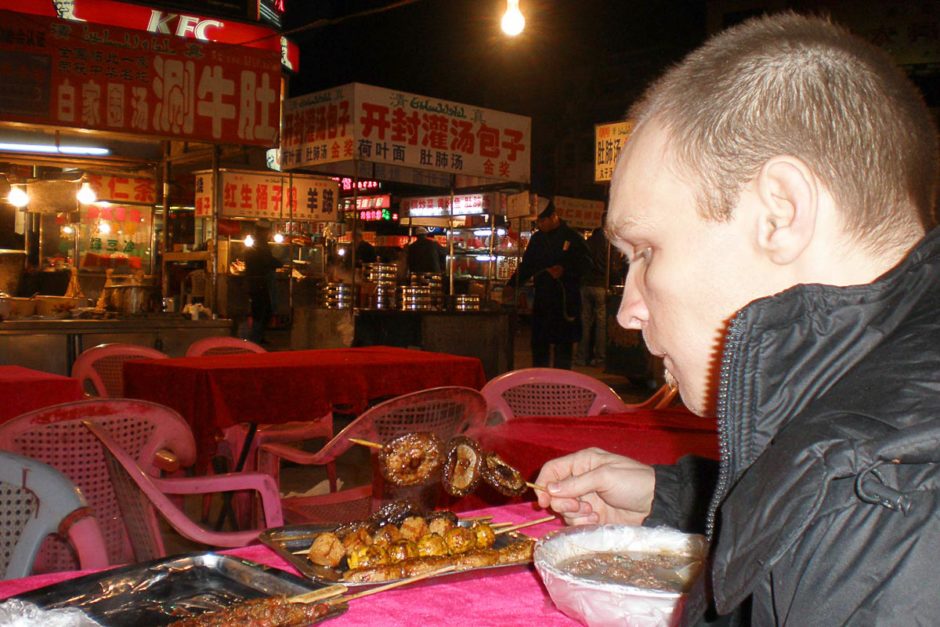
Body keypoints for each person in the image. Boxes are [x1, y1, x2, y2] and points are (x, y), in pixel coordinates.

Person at [536, 12, 940, 625]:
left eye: (645, 252)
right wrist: (671, 496)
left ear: (780, 213)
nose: (626, 312)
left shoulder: (885, 508)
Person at [504, 201, 591, 369]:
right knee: (539, 345)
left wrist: (565, 270)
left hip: (565, 300)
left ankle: (562, 385)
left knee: (563, 349)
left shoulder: (572, 238)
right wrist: (512, 284)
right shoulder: (537, 239)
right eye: (538, 222)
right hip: (543, 300)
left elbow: (587, 265)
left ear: (553, 216)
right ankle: (539, 382)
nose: (540, 225)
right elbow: (527, 265)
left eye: (543, 221)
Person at [576, 217, 609, 366]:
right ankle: (600, 357)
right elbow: (611, 267)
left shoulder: (588, 242)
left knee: (585, 321)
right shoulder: (608, 243)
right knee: (601, 324)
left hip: (585, 285)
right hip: (601, 285)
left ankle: (582, 357)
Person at [244, 220, 282, 345]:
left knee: (262, 310)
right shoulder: (259, 244)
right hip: (259, 281)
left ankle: (258, 337)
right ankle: (254, 338)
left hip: (257, 280)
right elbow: (266, 261)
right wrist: (278, 263)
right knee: (262, 310)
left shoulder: (258, 243)